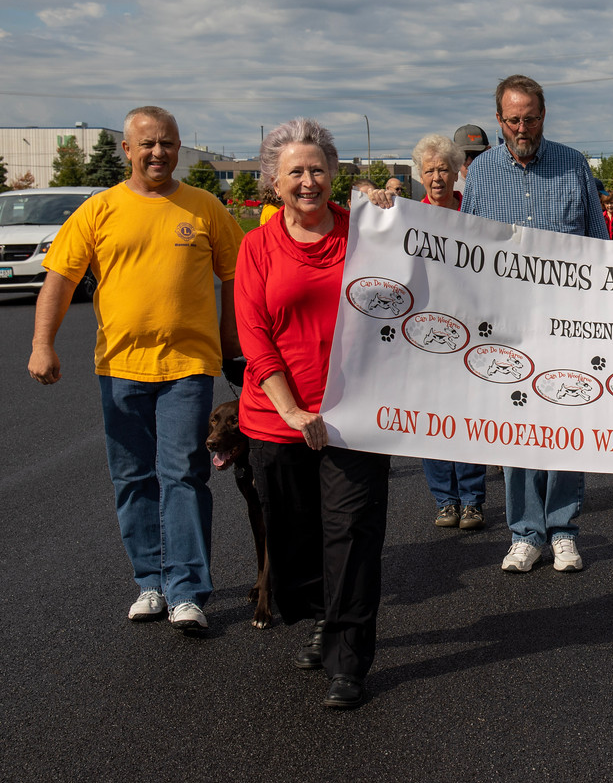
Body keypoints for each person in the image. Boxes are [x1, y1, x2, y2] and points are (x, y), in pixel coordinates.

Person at [28, 106, 241, 633]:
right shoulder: (98, 210)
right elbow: (58, 279)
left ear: (178, 148)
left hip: (188, 366)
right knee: (132, 477)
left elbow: (238, 278)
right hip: (120, 367)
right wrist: (41, 345)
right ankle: (151, 581)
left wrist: (235, 347)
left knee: (183, 475)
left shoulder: (205, 207)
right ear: (127, 149)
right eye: (146, 144)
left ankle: (187, 590)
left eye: (167, 143)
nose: (157, 153)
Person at [235, 118, 392, 709]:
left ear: (334, 175)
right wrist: (293, 408)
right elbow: (254, 335)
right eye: (295, 171)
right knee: (295, 538)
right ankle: (325, 617)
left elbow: (423, 278)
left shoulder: (368, 234)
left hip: (354, 418)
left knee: (351, 535)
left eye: (317, 169)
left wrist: (391, 211)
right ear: (275, 183)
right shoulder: (256, 247)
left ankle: (350, 661)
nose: (308, 181)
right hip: (277, 420)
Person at [462, 74, 607, 573]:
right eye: (513, 119)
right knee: (519, 429)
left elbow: (598, 241)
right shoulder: (480, 172)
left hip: (566, 321)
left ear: (544, 116)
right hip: (506, 324)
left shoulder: (573, 165)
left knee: (566, 423)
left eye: (531, 117)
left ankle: (564, 530)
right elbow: (465, 248)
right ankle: (526, 533)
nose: (522, 127)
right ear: (500, 120)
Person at [410, 133, 488, 529]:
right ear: (420, 175)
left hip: (471, 326)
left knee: (467, 412)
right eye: (429, 170)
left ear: (457, 171)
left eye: (443, 168)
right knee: (433, 415)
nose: (437, 177)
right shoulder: (406, 217)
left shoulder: (473, 213)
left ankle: (472, 499)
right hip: (425, 332)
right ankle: (445, 499)